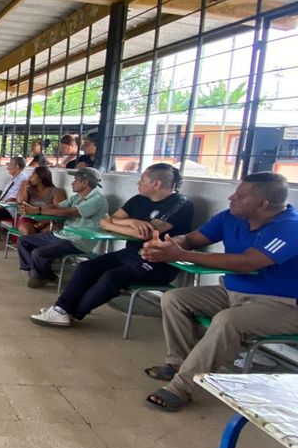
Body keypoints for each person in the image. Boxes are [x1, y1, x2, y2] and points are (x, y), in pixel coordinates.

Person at [141, 172, 298, 412]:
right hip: (232, 292)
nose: (231, 197)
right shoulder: (231, 217)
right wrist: (167, 245)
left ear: (263, 204)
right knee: (174, 299)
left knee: (227, 321)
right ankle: (177, 365)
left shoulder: (290, 227)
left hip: (282, 304)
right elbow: (191, 239)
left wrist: (181, 255)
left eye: (240, 196)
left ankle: (180, 388)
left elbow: (248, 262)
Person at [31, 163, 194, 327]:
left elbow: (145, 233)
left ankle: (69, 312)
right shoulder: (138, 200)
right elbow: (105, 221)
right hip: (129, 254)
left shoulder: (180, 203)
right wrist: (131, 221)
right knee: (86, 267)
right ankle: (61, 310)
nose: (138, 182)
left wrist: (113, 224)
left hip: (158, 263)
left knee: (112, 277)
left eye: (143, 179)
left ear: (156, 184)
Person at [17, 167, 109, 288]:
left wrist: (37, 210)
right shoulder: (77, 197)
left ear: (85, 182)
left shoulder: (96, 200)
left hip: (78, 240)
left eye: (75, 180)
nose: (72, 183)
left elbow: (68, 212)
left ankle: (41, 275)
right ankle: (35, 272)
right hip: (63, 235)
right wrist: (33, 209)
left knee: (39, 253)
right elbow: (57, 207)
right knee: (23, 241)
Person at [15, 166, 65, 236]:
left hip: (50, 220)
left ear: (40, 178)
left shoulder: (56, 191)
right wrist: (24, 183)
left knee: (45, 234)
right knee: (28, 231)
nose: (30, 177)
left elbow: (59, 211)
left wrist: (45, 222)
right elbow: (20, 201)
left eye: (33, 174)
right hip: (29, 218)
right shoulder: (29, 190)